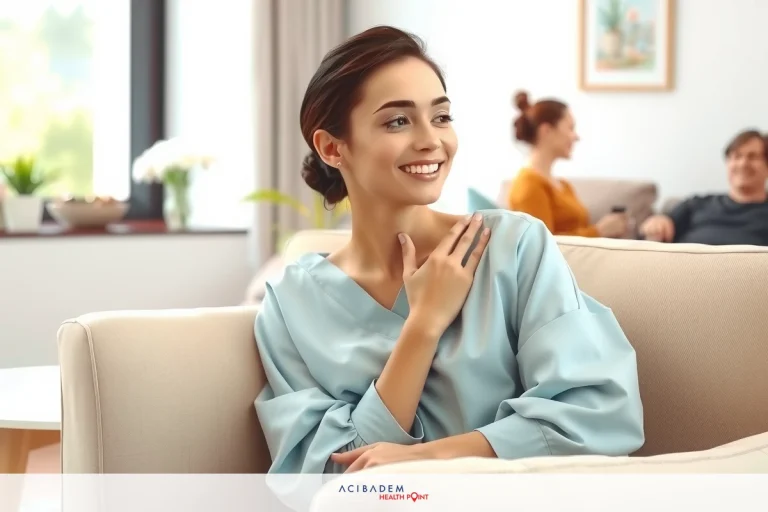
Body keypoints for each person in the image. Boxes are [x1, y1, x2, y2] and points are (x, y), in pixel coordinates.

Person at [254, 26, 644, 480]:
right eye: (397, 121)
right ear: (332, 148)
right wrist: (423, 326)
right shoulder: (291, 304)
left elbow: (600, 415)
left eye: (440, 117)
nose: (430, 140)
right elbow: (326, 477)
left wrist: (428, 456)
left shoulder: (514, 248)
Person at [507, 91, 630, 238]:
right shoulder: (528, 185)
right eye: (570, 128)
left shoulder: (563, 185)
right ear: (546, 131)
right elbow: (540, 247)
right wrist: (599, 231)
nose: (576, 136)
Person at [640, 130, 768, 245]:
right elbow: (650, 234)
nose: (742, 163)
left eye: (752, 156)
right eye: (736, 156)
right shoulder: (695, 204)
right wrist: (656, 224)